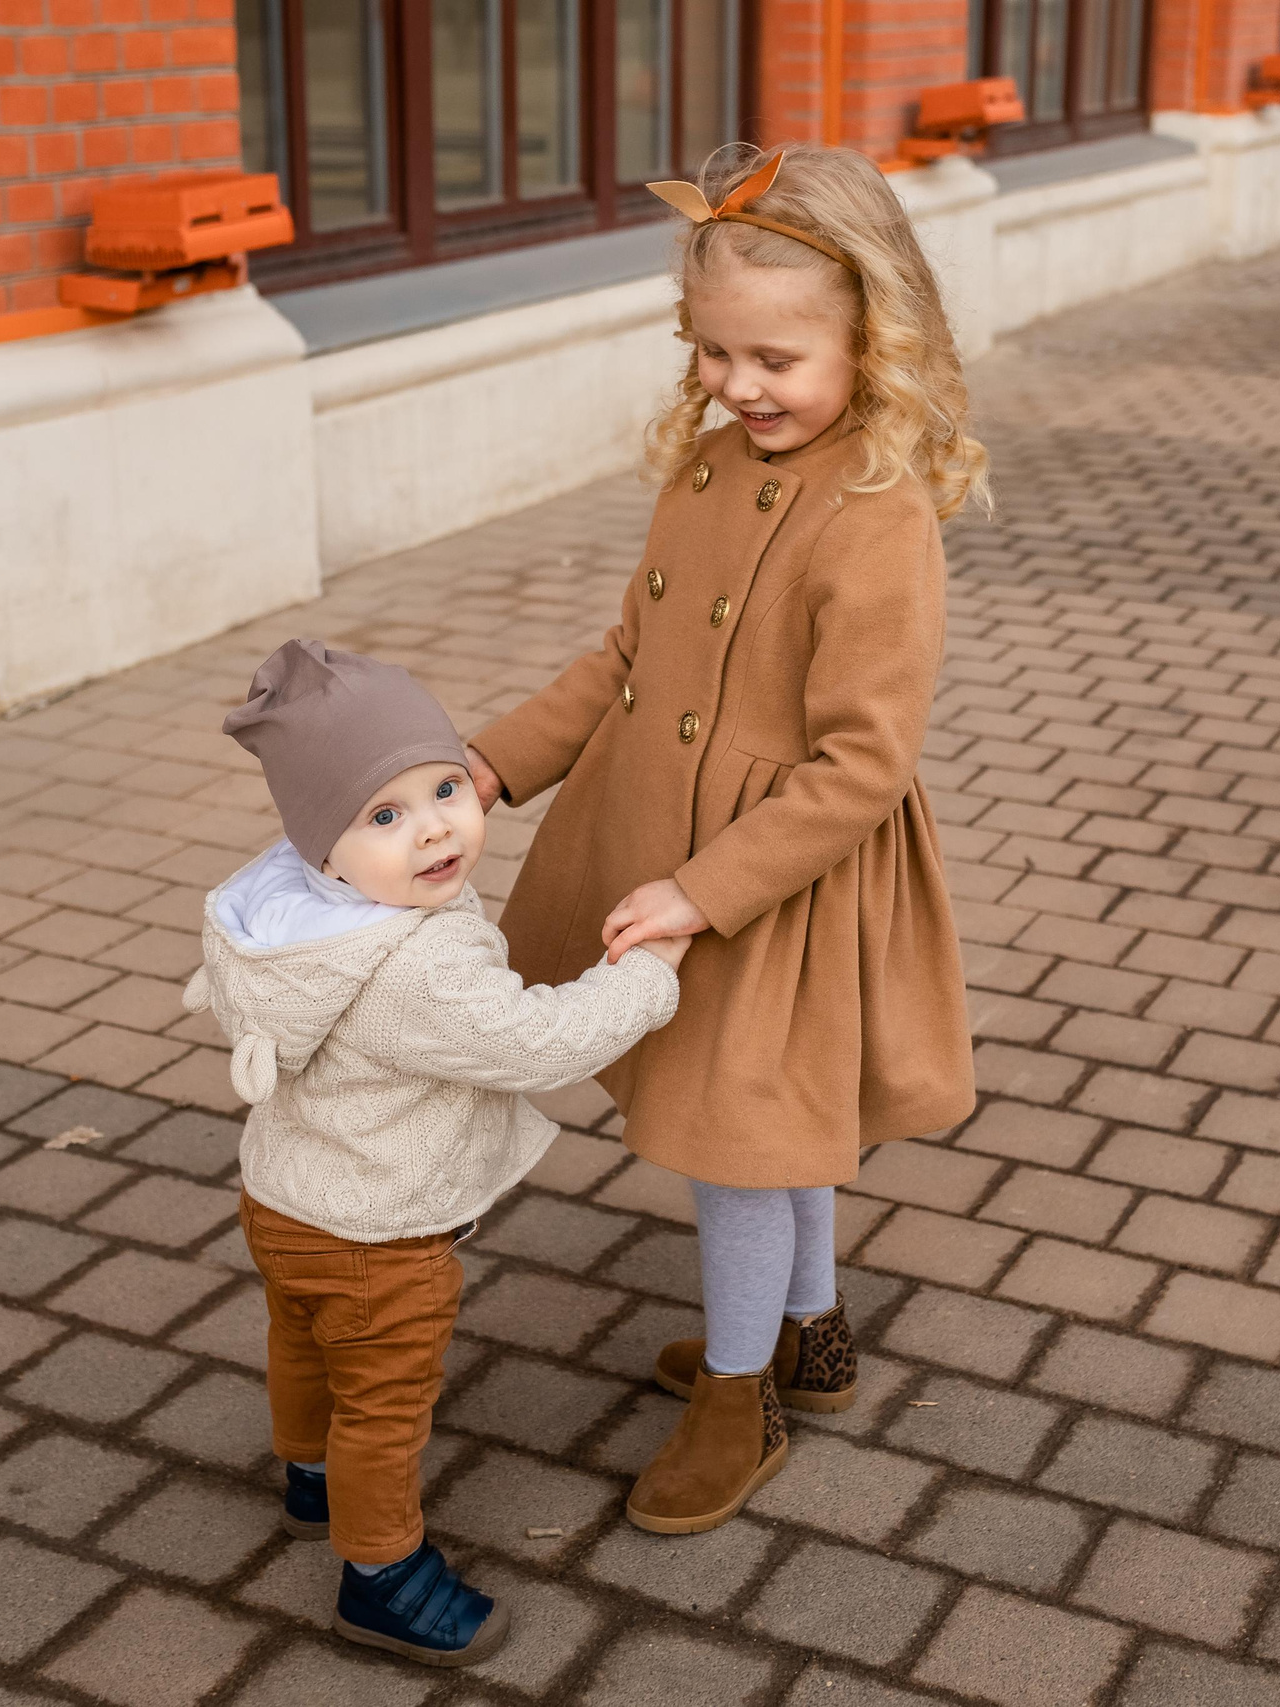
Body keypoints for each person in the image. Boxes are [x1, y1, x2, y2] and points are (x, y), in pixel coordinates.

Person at [463, 142, 984, 1535]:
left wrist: (705, 890)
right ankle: (807, 1334)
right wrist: (490, 763)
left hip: (774, 880)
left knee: (743, 1135)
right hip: (657, 837)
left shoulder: (875, 511)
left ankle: (738, 1396)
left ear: (869, 338)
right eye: (712, 353)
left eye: (773, 359)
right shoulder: (702, 468)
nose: (738, 386)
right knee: (764, 1123)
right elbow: (624, 657)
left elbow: (864, 763)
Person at [184, 639, 687, 1663]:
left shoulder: (290, 917)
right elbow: (541, 1042)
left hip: (283, 1199)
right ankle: (382, 1579)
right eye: (384, 815)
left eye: (445, 789)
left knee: (302, 1344)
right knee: (384, 1403)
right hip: (380, 1236)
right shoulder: (412, 966)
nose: (432, 832)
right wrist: (649, 975)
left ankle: (309, 1481)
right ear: (325, 842)